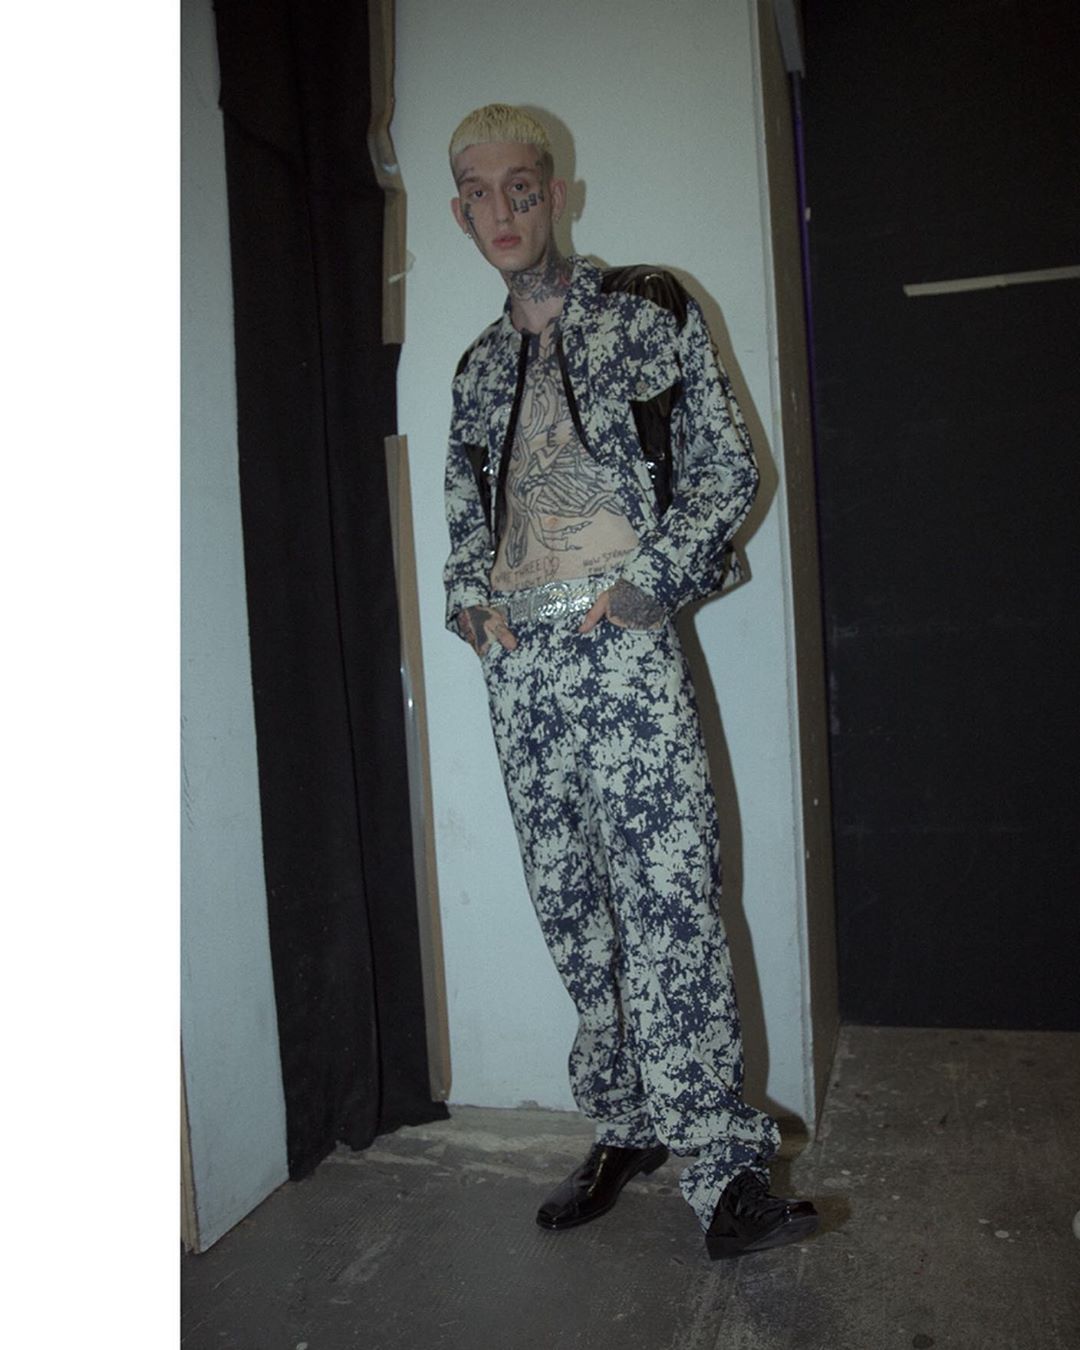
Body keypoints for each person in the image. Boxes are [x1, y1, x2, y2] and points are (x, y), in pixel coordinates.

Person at [442, 103, 818, 1259]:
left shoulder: (648, 309)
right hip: (522, 668)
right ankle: (626, 1123)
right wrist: (471, 609)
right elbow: (465, 520)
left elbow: (728, 466)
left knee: (669, 899)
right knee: (572, 906)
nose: (502, 210)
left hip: (619, 639)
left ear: (557, 194)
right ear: (460, 213)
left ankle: (726, 1172)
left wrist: (652, 584)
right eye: (478, 193)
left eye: (521, 186)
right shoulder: (476, 368)